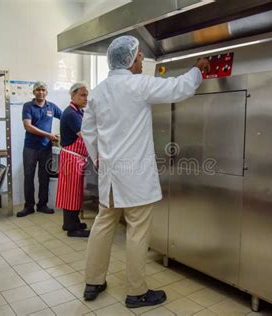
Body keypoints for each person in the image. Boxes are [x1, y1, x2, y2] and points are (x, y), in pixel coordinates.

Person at [81, 35, 210, 308]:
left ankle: (93, 282)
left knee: (103, 225)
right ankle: (136, 292)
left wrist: (98, 160)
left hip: (110, 176)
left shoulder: (99, 91)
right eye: (139, 56)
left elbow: (88, 131)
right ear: (129, 59)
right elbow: (178, 88)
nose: (141, 60)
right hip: (136, 177)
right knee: (137, 231)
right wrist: (199, 69)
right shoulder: (139, 85)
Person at [17, 81, 62, 218]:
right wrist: (48, 135)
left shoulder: (51, 107)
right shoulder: (28, 106)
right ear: (33, 92)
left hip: (46, 148)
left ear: (46, 92)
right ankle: (29, 206)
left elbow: (65, 117)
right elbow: (28, 126)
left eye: (43, 90)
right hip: (30, 147)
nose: (40, 92)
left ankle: (42, 205)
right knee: (29, 177)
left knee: (44, 177)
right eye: (38, 90)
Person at [56, 83, 91, 238]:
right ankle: (72, 228)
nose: (86, 98)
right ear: (73, 95)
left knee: (74, 192)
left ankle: (72, 222)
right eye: (82, 95)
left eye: (86, 95)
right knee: (71, 193)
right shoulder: (70, 113)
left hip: (77, 158)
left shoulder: (78, 112)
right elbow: (85, 135)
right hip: (72, 158)